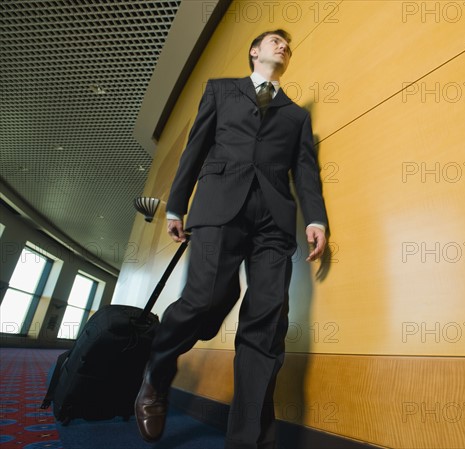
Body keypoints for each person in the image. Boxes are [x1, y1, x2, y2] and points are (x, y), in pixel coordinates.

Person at [134, 29, 329, 449]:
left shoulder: (296, 115)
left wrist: (317, 219)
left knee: (266, 323)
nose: (283, 46)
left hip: (274, 222)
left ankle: (249, 440)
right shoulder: (220, 91)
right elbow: (195, 146)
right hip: (219, 207)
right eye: (275, 40)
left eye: (288, 45)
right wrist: (176, 205)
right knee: (204, 299)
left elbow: (306, 171)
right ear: (254, 51)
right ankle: (157, 371)